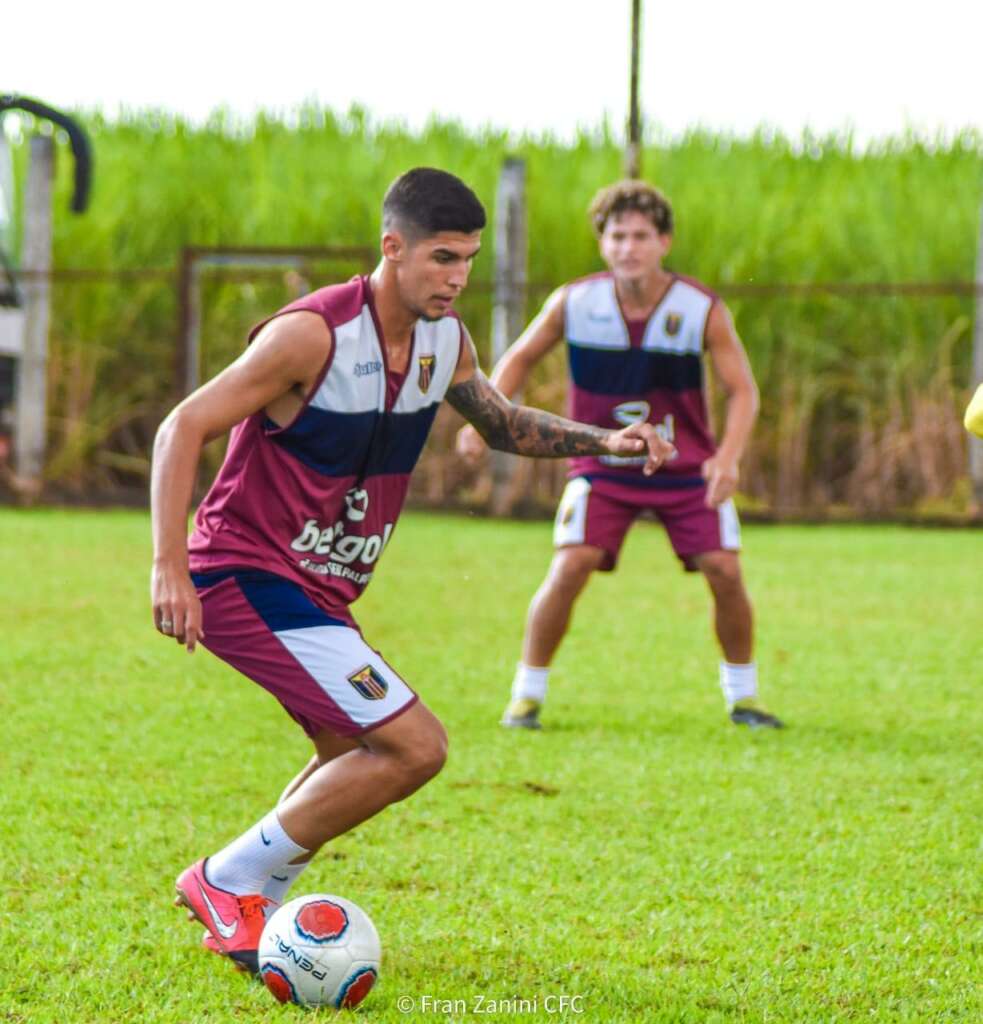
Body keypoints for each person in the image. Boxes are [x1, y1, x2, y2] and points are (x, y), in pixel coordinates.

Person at [151, 167, 674, 973]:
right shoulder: (310, 336)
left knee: (346, 751)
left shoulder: (446, 340)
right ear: (392, 248)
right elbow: (182, 426)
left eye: (466, 259)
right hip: (243, 574)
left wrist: (605, 442)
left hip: (317, 589)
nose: (456, 276)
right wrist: (169, 567)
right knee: (415, 747)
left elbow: (500, 423)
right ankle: (226, 882)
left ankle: (254, 897)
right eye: (440, 257)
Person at [457, 180, 783, 732]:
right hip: (600, 468)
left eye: (640, 236)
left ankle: (744, 700)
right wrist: (481, 418)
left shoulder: (700, 308)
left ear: (664, 242)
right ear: (602, 244)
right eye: (617, 236)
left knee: (725, 570)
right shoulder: (573, 302)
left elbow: (743, 390)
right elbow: (518, 359)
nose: (628, 247)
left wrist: (727, 458)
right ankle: (525, 697)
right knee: (569, 565)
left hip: (685, 470)